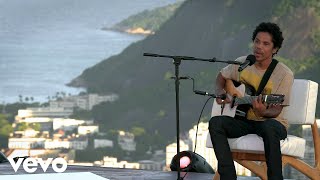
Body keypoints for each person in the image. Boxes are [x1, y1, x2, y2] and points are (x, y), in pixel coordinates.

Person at [208, 22, 294, 180]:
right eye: (257, 41)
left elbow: (276, 110)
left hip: (274, 123)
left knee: (269, 127)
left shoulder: (284, 74)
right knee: (216, 123)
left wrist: (263, 111)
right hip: (246, 121)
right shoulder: (243, 63)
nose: (259, 47)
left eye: (265, 43)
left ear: (275, 49)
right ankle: (228, 177)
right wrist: (220, 92)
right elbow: (221, 76)